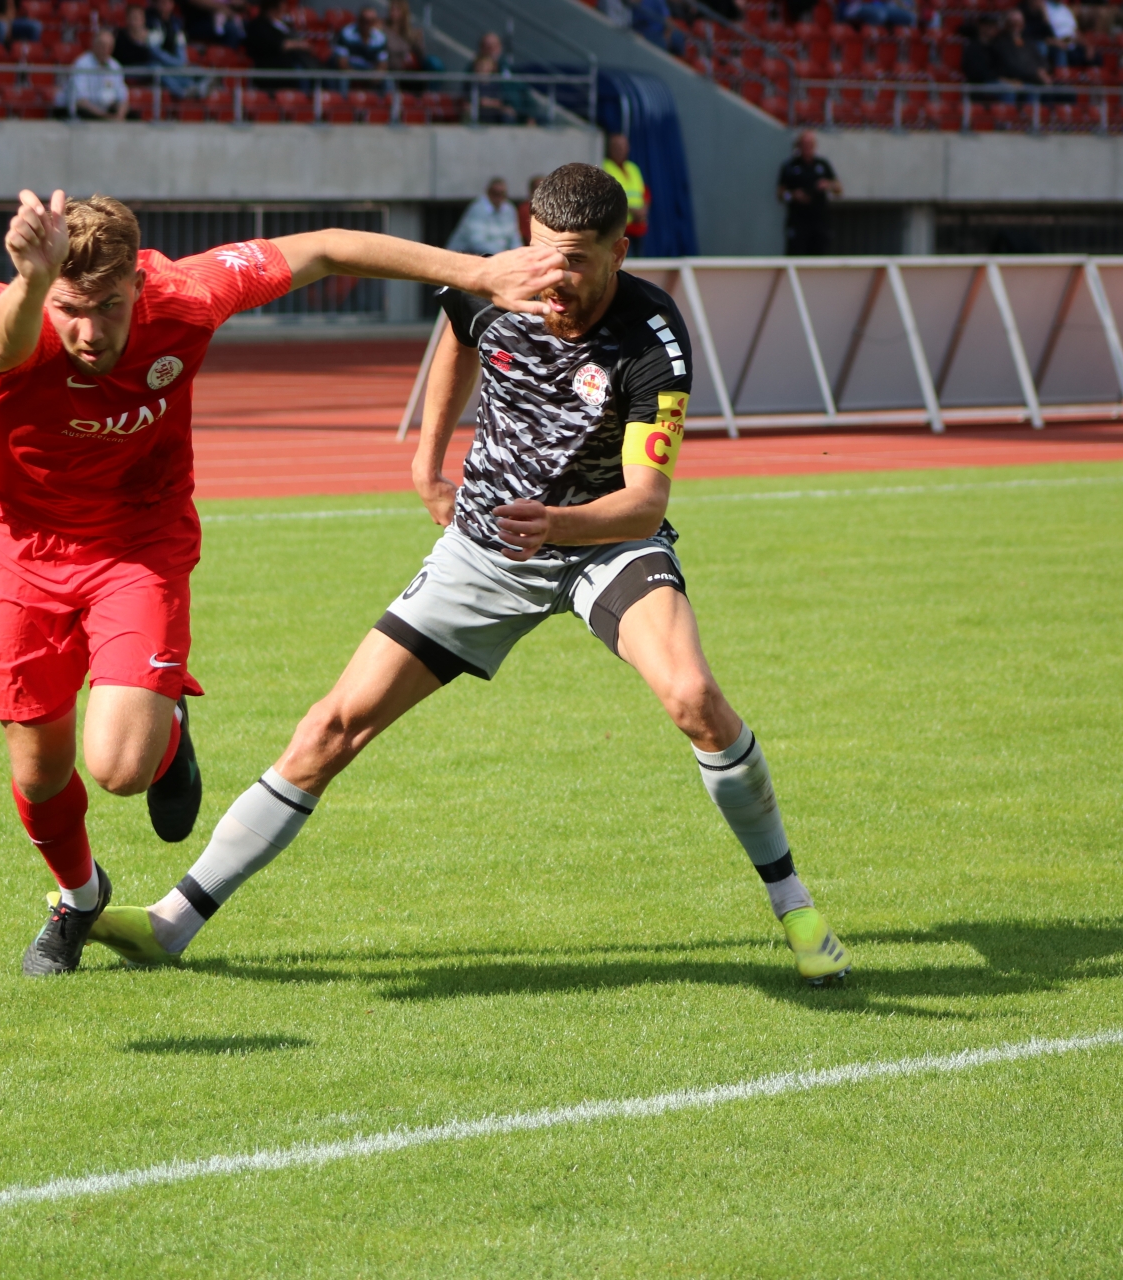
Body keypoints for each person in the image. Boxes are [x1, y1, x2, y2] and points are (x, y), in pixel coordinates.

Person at [89, 163, 854, 989]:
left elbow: (644, 504)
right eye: (543, 252)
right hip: (485, 550)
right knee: (330, 727)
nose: (553, 277)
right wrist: (428, 460)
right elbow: (459, 332)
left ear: (619, 252)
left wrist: (558, 525)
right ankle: (173, 922)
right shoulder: (497, 285)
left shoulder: (652, 335)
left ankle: (795, 907)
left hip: (603, 545)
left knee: (695, 699)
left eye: (577, 261)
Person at [0, 189, 565, 976]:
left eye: (108, 307)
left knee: (119, 768)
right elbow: (0, 351)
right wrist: (34, 283)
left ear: (138, 285)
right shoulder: (20, 309)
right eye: (71, 309)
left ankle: (165, 723)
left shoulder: (187, 295)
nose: (89, 331)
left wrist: (477, 273)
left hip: (140, 542)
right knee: (40, 774)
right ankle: (79, 900)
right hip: (25, 550)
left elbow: (327, 247)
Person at [776, 129, 840, 256]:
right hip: (798, 222)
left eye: (810, 144)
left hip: (819, 221)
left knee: (819, 256)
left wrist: (828, 185)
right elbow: (780, 194)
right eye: (804, 144)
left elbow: (838, 188)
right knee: (796, 254)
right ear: (798, 146)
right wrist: (793, 195)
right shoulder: (790, 166)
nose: (807, 148)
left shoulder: (822, 164)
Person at [448, 176, 523, 255]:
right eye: (495, 193)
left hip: (494, 256)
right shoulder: (477, 209)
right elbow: (477, 243)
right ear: (488, 192)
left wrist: (519, 254)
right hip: (462, 255)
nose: (498, 197)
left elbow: (514, 238)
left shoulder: (509, 209)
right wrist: (503, 254)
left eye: (502, 194)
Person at [67, 27, 128, 118]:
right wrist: (104, 116)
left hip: (107, 112)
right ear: (94, 45)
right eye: (102, 46)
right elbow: (80, 101)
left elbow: (123, 98)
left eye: (109, 47)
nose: (106, 50)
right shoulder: (82, 64)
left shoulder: (115, 66)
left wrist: (119, 115)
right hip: (87, 112)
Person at [602, 133, 648, 243]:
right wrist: (631, 210)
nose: (620, 150)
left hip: (638, 227)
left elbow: (644, 193)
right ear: (609, 149)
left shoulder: (633, 168)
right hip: (619, 228)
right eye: (617, 147)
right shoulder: (605, 167)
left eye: (623, 146)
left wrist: (643, 210)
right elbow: (606, 198)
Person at [332, 6, 388, 73]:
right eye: (364, 20)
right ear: (358, 19)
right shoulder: (347, 33)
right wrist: (355, 76)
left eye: (371, 21)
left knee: (388, 78)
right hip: (349, 71)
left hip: (370, 72)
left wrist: (374, 76)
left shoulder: (380, 38)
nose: (367, 23)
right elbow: (341, 62)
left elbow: (382, 64)